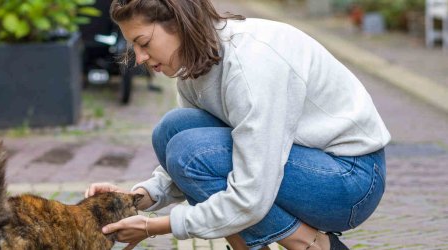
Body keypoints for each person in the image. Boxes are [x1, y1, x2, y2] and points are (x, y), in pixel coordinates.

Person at [85, 0, 390, 249]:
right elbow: (184, 165)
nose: (138, 58)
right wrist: (134, 199)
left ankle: (312, 245)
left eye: (144, 43)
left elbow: (249, 195)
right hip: (305, 164)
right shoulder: (194, 64)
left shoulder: (251, 65)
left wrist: (155, 227)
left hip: (351, 181)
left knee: (189, 150)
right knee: (173, 130)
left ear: (176, 24)